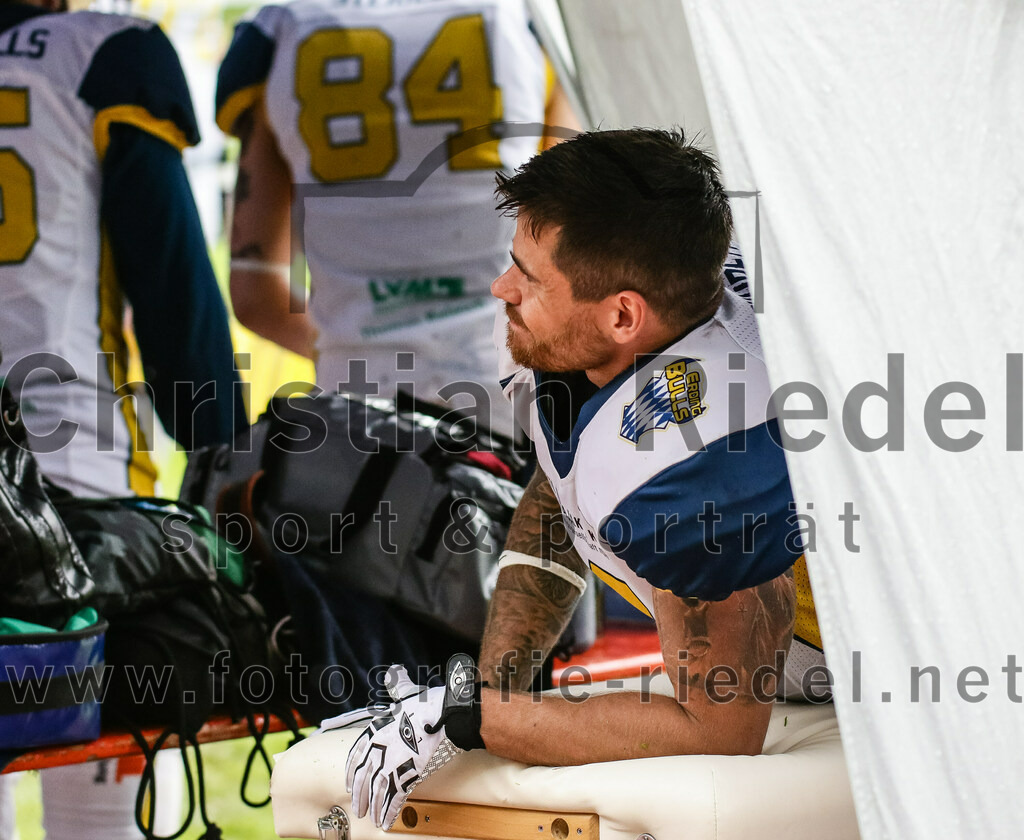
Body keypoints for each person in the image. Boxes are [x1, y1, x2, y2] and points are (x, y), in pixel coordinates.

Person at [334, 128, 827, 831]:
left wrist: (478, 717)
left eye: (529, 278)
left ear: (624, 314)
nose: (502, 288)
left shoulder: (704, 465)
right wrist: (496, 684)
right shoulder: (631, 319)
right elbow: (561, 486)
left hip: (844, 673)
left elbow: (718, 730)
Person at [0, 0, 247, 837]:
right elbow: (173, 281)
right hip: (73, 490)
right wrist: (220, 442)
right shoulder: (104, 55)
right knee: (106, 804)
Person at [215, 0, 577, 435]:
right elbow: (577, 255)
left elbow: (256, 295)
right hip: (508, 398)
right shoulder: (529, 21)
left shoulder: (281, 33)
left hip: (355, 411)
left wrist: (359, 345)